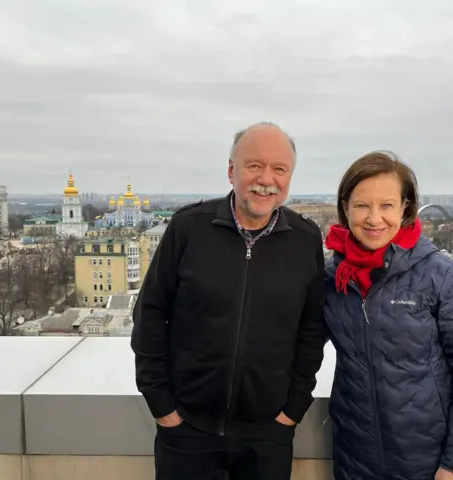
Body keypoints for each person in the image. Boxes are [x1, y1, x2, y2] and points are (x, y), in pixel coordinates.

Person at [131, 122, 326, 480]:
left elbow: (312, 329)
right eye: (254, 165)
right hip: (187, 429)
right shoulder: (189, 228)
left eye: (279, 169)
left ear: (290, 177)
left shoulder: (305, 239)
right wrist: (163, 406)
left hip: (269, 434)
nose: (266, 178)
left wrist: (293, 410)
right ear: (231, 170)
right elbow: (150, 315)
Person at [324, 151, 453, 480]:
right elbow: (292, 342)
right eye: (362, 205)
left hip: (427, 464)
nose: (374, 218)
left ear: (405, 208)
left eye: (386, 205)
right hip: (354, 460)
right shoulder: (333, 278)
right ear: (346, 207)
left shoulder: (440, 276)